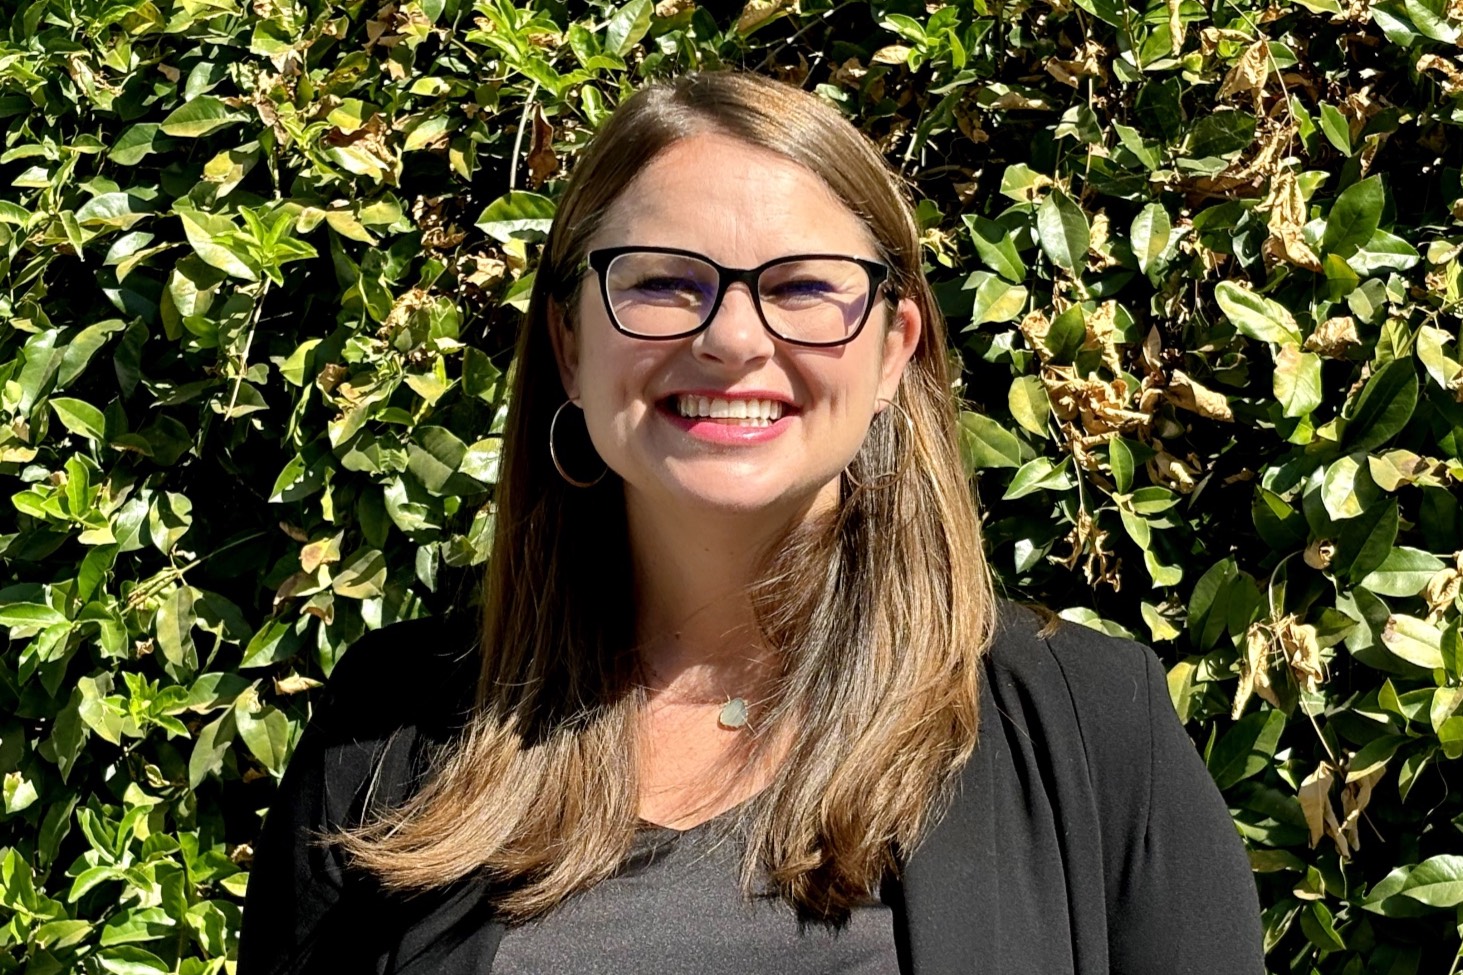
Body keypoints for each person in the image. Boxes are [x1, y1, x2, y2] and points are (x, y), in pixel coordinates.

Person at [239, 71, 1264, 974]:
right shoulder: (389, 738)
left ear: (891, 348)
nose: (731, 338)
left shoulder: (1091, 727)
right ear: (566, 340)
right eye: (660, 283)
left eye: (804, 287)